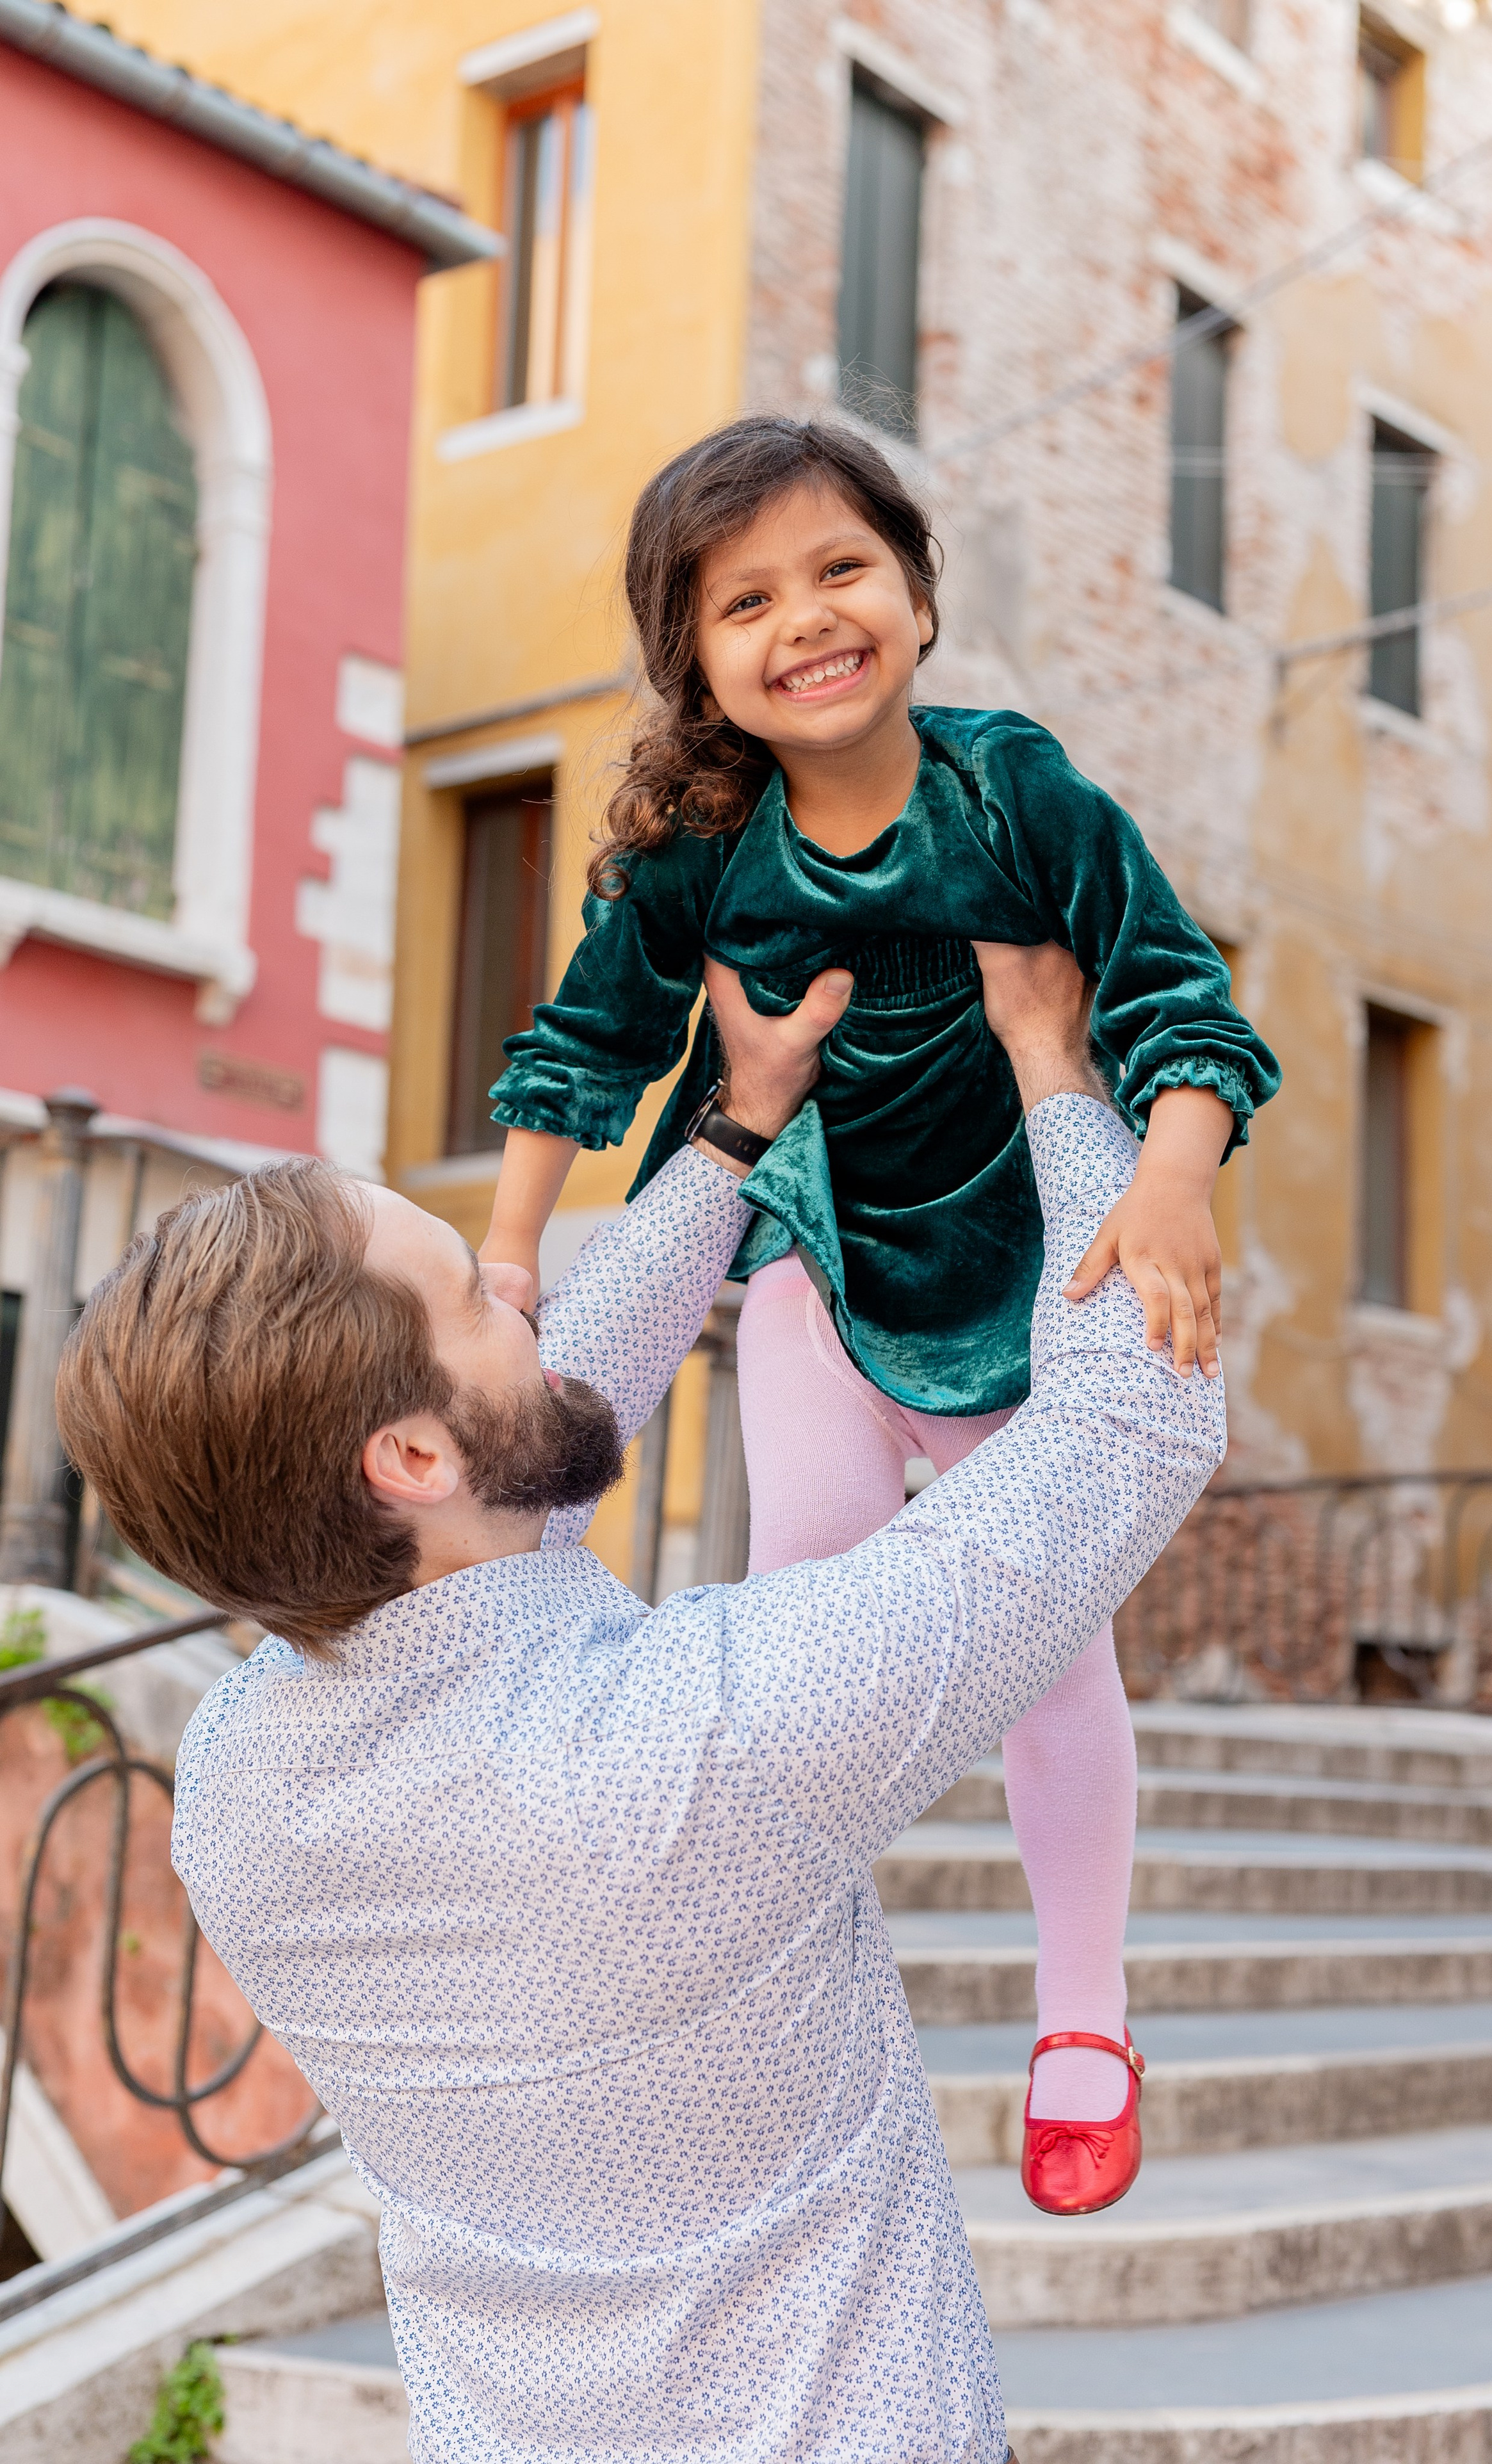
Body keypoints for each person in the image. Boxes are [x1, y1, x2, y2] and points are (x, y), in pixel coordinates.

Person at [56, 942, 1222, 2464]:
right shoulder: (695, 1744)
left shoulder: (233, 1780)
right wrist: (1055, 1067)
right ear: (406, 1459)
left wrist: (734, 1131)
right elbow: (1134, 1423)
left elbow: (511, 1459)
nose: (516, 1290)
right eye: (473, 1294)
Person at [476, 416, 1279, 2205]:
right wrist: (518, 1255)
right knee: (800, 1621)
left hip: (1028, 1275)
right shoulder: (702, 848)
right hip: (819, 1266)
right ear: (697, 664)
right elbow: (587, 1046)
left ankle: (1085, 2012)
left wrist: (1175, 1175)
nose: (804, 618)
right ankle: (761, 1985)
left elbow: (1172, 989)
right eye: (743, 599)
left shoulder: (1014, 793)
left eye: (840, 569)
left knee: (1046, 1643)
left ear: (916, 596)